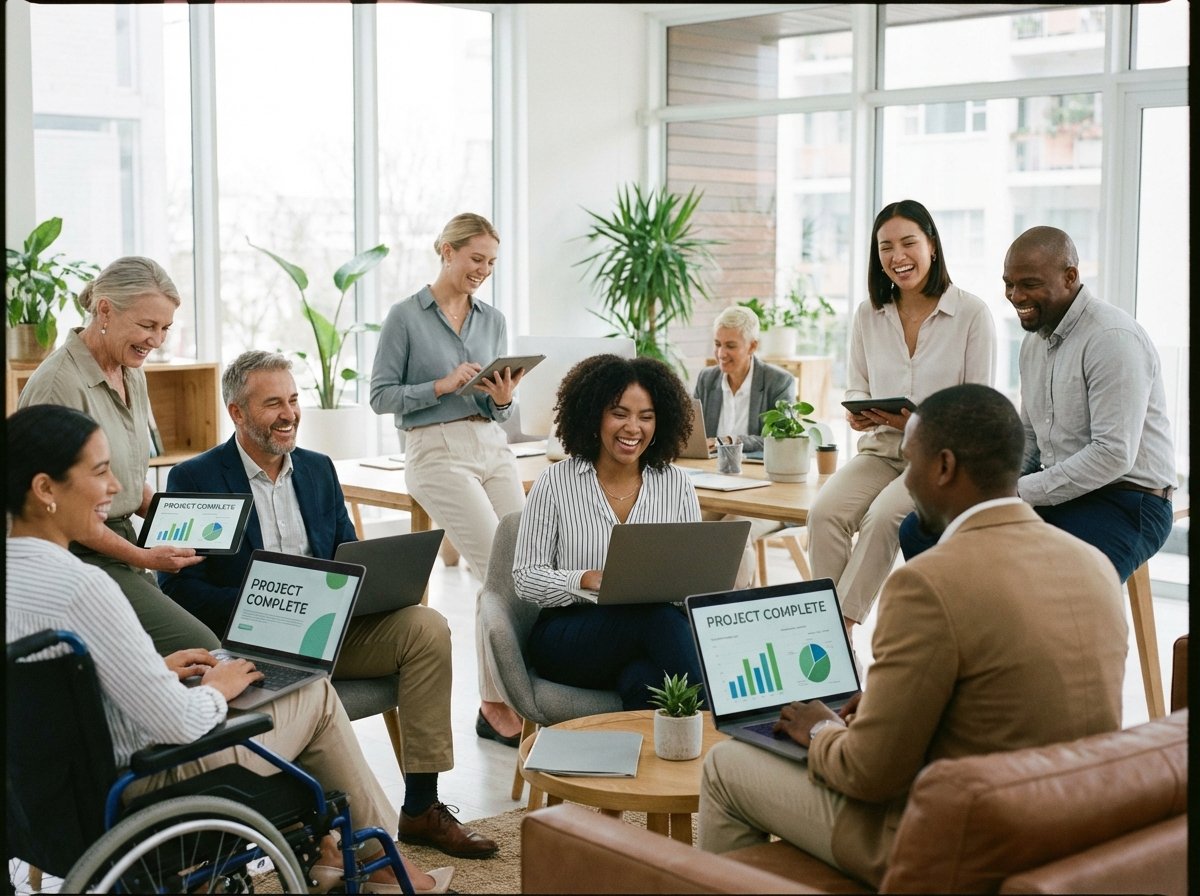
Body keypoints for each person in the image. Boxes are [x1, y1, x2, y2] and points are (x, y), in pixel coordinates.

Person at [5, 404, 454, 895]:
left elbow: (52, 690)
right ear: (45, 489)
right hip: (142, 783)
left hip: (40, 801)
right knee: (316, 696)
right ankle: (376, 862)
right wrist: (216, 689)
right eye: (100, 472)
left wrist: (153, 668)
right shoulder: (85, 587)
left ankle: (334, 852)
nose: (115, 488)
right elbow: (181, 723)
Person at [697, 384, 1127, 888]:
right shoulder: (1093, 563)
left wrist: (817, 728)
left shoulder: (927, 582)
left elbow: (870, 774)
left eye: (909, 462)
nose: (905, 481)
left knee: (727, 765)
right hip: (1059, 833)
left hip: (948, 847)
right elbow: (1002, 699)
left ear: (943, 467)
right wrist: (881, 705)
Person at [157, 350, 497, 860]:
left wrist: (361, 589)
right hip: (255, 642)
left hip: (330, 628)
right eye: (273, 403)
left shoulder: (317, 471)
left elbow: (348, 556)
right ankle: (327, 833)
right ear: (237, 412)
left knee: (425, 627)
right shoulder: (193, 479)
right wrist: (267, 603)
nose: (289, 414)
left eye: (293, 400)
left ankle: (422, 807)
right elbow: (179, 590)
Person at [898, 227, 1176, 583]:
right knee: (920, 529)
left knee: (1049, 578)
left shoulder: (1111, 339)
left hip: (1128, 501)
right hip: (1057, 491)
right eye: (1008, 284)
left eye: (1029, 284)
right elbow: (1030, 435)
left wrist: (1020, 491)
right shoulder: (1034, 343)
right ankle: (971, 629)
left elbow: (1113, 454)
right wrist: (992, 486)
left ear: (1070, 277)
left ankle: (1004, 628)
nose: (1015, 296)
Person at [369, 212, 526, 747]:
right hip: (435, 450)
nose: (482, 270)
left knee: (529, 563)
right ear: (446, 250)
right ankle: (495, 702)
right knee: (498, 569)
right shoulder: (405, 317)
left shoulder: (493, 319)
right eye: (475, 258)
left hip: (491, 445)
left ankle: (515, 692)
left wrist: (502, 400)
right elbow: (380, 396)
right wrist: (438, 386)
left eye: (490, 262)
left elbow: (500, 408)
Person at [806, 200, 995, 639]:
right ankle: (830, 636)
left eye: (908, 243)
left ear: (931, 244)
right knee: (824, 514)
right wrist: (860, 412)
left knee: (884, 518)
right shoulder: (868, 314)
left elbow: (979, 409)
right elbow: (856, 387)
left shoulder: (971, 315)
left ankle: (836, 633)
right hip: (881, 450)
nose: (897, 256)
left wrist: (917, 420)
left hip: (938, 460)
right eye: (885, 247)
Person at [16, 256, 220, 656]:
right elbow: (59, 510)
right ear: (105, 310)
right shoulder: (60, 384)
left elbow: (124, 477)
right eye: (147, 326)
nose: (157, 341)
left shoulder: (132, 372)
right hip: (77, 553)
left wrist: (189, 520)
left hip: (118, 545)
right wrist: (144, 556)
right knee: (201, 649)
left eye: (165, 328)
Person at [511, 353, 707, 710]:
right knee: (655, 617)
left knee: (644, 681)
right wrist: (583, 579)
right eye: (620, 414)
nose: (633, 428)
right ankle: (729, 721)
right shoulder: (556, 482)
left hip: (647, 639)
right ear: (593, 415)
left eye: (646, 417)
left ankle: (652, 763)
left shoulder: (676, 483)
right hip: (571, 637)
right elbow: (525, 578)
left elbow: (691, 575)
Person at [694, 304, 798, 586]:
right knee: (686, 524)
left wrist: (729, 441)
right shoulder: (707, 378)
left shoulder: (779, 381)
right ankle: (685, 608)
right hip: (716, 484)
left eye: (730, 345)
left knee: (732, 531)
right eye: (717, 344)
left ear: (753, 345)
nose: (720, 353)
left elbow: (780, 439)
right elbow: (694, 432)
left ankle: (733, 610)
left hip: (764, 492)